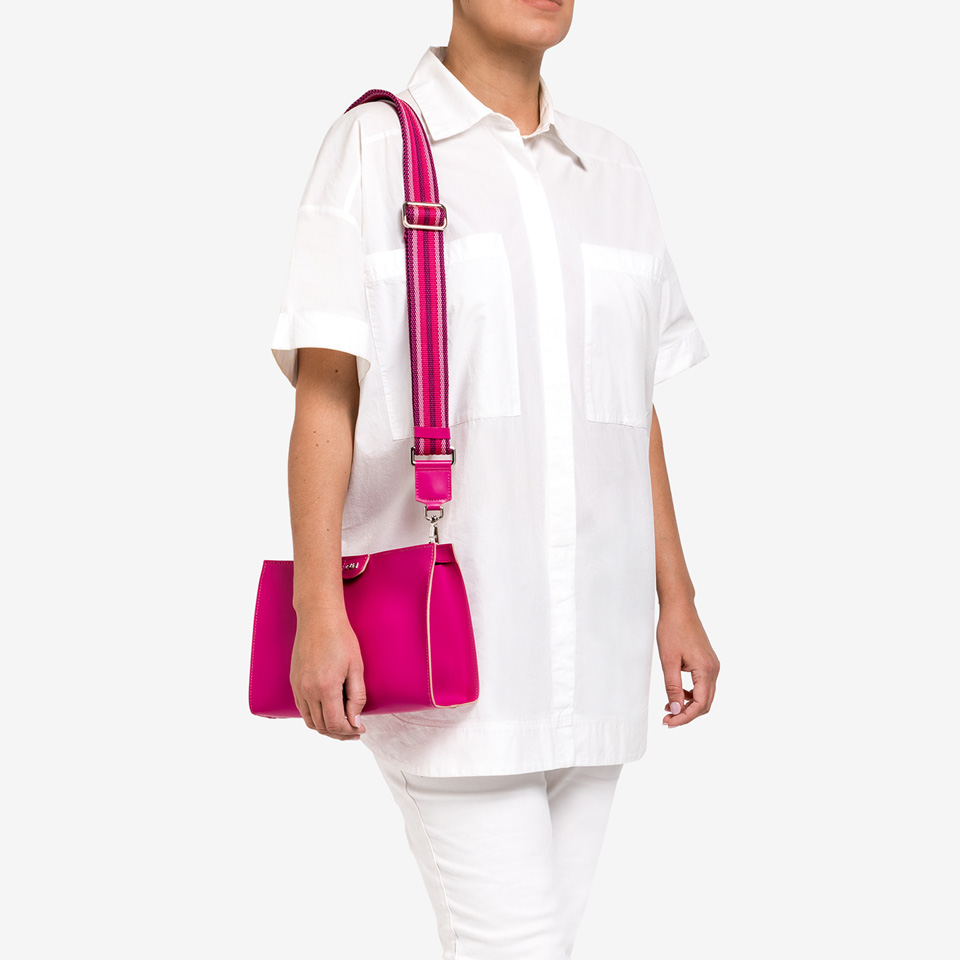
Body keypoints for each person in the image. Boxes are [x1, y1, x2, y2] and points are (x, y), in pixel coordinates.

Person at [269, 2, 720, 956]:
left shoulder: (616, 173)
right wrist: (317, 607)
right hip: (449, 659)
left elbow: (630, 408)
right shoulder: (374, 149)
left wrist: (676, 600)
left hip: (597, 656)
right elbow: (326, 399)